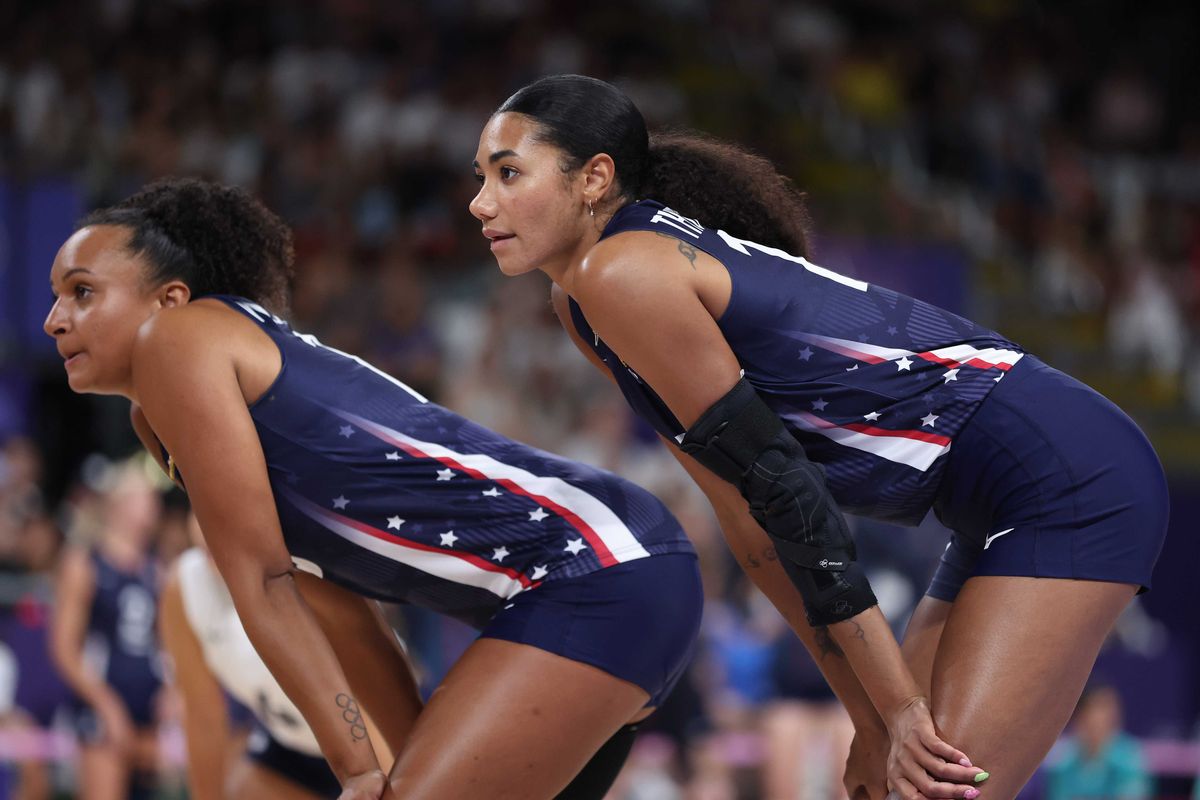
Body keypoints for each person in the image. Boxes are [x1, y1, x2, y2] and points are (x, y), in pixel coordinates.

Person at [468, 74, 1169, 800]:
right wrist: (871, 718)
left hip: (1071, 474)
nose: (480, 203)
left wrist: (895, 712)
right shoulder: (582, 300)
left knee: (936, 786)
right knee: (885, 785)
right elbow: (749, 522)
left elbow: (788, 495)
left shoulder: (621, 271)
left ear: (595, 178)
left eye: (508, 173)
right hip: (999, 495)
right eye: (481, 178)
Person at [43, 177, 704, 800]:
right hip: (599, 580)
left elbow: (263, 583)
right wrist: (389, 769)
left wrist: (355, 771)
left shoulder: (179, 341)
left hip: (594, 567)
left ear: (170, 300)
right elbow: (338, 611)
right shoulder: (164, 414)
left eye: (82, 292)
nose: (53, 319)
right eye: (54, 296)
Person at [159, 513, 373, 800]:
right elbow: (204, 722)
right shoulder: (185, 587)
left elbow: (370, 709)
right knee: (242, 789)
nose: (206, 525)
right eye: (197, 506)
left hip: (374, 735)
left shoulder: (304, 570)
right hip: (295, 749)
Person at [48, 461, 165, 800]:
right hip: (102, 705)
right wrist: (106, 705)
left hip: (148, 708)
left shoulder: (155, 569)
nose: (153, 507)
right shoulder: (86, 563)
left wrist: (172, 694)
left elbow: (165, 645)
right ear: (121, 503)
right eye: (145, 497)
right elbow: (64, 648)